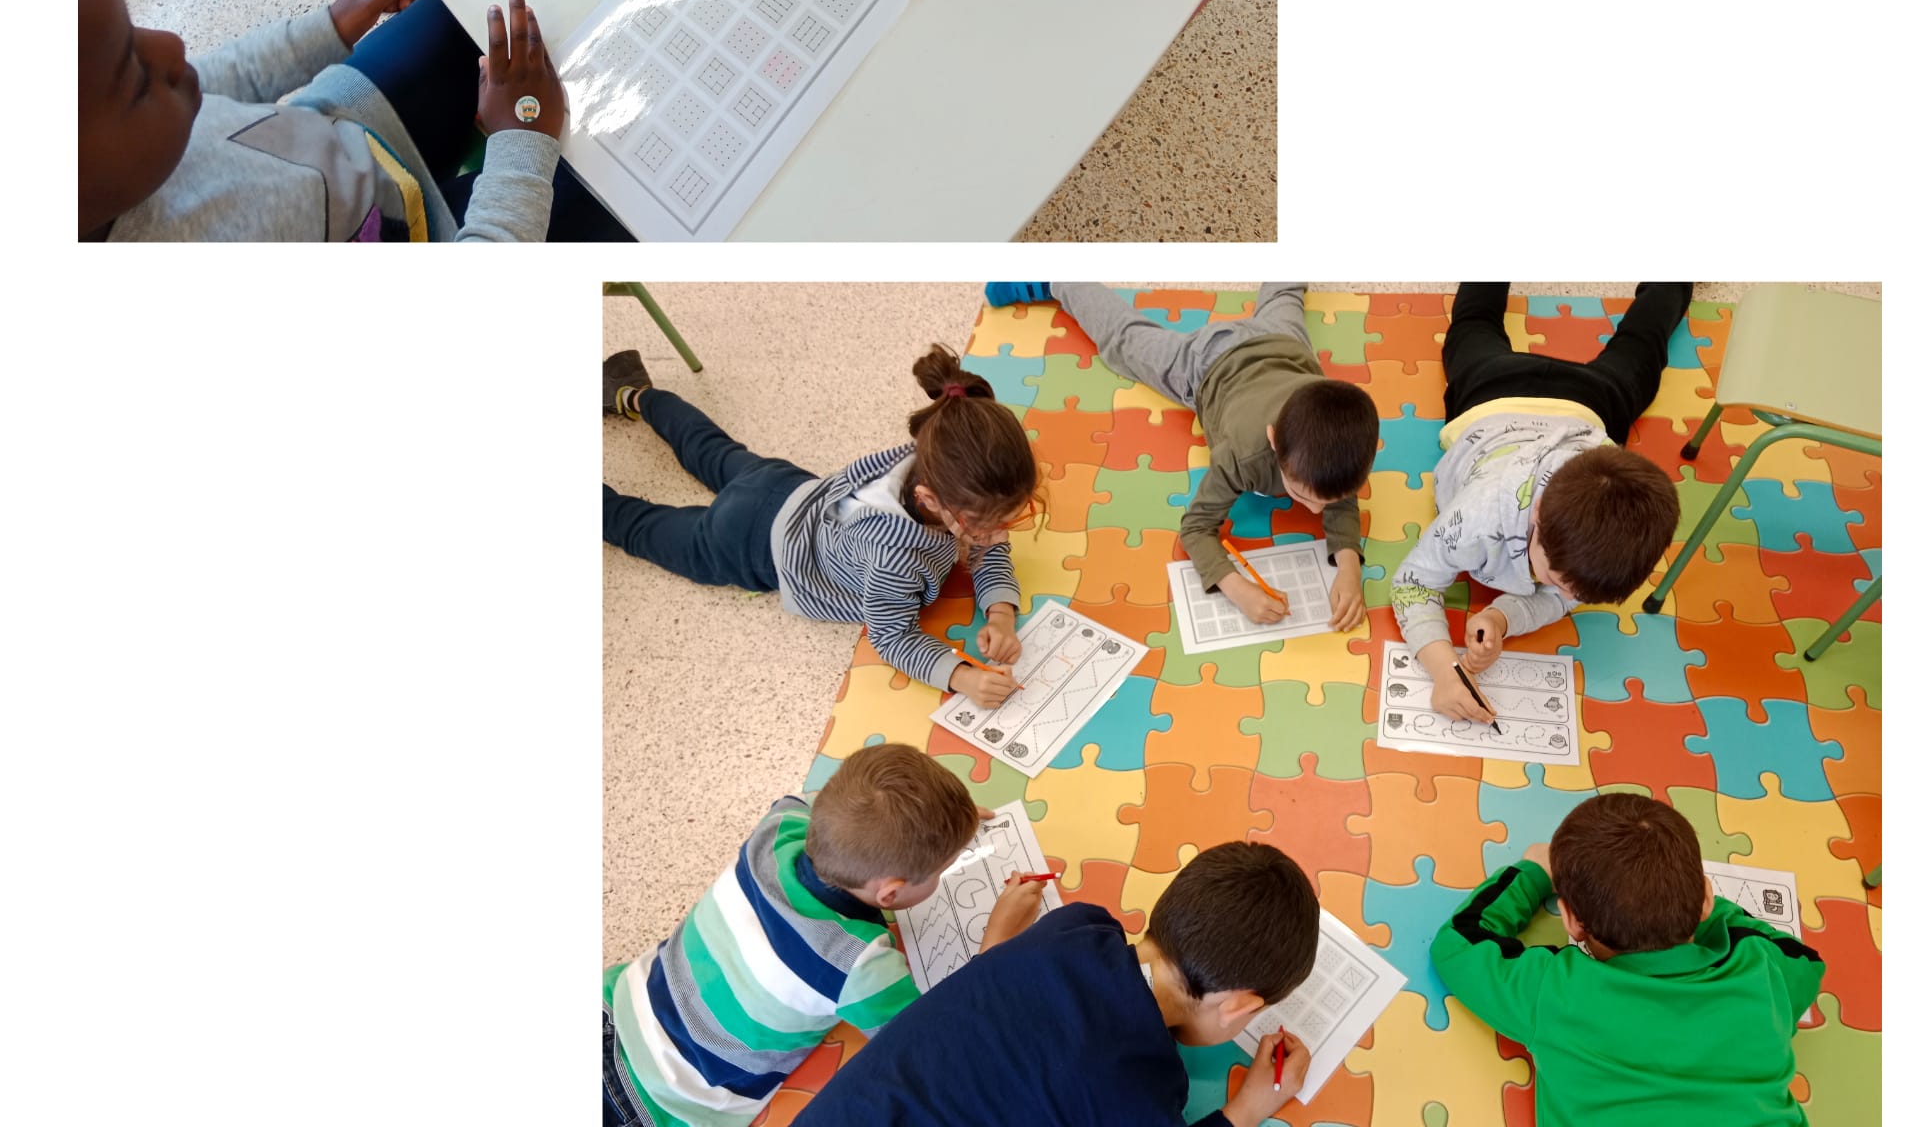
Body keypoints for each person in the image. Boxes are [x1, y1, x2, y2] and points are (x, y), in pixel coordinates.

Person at [772, 841, 1320, 1127]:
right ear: (1240, 1006)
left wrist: (995, 948)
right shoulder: (1145, 1095)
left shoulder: (1078, 925)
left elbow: (1000, 1011)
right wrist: (1249, 1108)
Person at [603, 745, 1003, 1127]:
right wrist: (994, 948)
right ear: (890, 893)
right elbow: (929, 1042)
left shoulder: (779, 827)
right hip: (647, 1098)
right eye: (942, 870)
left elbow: (836, 808)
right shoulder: (859, 965)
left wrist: (943, 830)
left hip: (615, 1009)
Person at [77, 0, 624, 241]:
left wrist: (330, 26)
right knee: (625, 186)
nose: (173, 46)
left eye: (135, 31)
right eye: (135, 78)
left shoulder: (119, 128)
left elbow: (219, 78)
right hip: (430, 237)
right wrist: (520, 146)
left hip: (355, 122)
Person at [1431, 792, 1833, 1127]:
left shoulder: (1557, 991)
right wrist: (1701, 908)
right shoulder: (1764, 973)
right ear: (1706, 898)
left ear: (1571, 921)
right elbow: (1803, 961)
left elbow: (1458, 943)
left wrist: (1535, 872)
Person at [602, 345, 1043, 701]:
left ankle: (637, 393)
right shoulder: (893, 559)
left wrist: (1001, 613)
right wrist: (962, 676)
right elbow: (893, 637)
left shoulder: (936, 452)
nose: (995, 535)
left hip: (782, 484)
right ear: (930, 500)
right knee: (642, 528)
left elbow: (988, 546)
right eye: (980, 525)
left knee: (708, 447)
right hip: (746, 545)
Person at [984, 283, 1378, 632]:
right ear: (1273, 441)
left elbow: (1340, 497)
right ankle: (1057, 278)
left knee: (1285, 292)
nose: (1314, 510)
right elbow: (1195, 528)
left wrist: (1348, 568)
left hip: (1282, 342)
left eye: (1324, 501)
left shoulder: (1345, 435)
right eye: (1304, 495)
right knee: (1123, 341)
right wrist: (1236, 588)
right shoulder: (1242, 454)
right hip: (1208, 362)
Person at [1389, 283, 1689, 719]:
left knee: (1645, 342)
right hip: (1492, 391)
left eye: (1575, 591)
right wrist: (1444, 671)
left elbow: (1559, 596)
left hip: (1590, 402)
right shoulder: (1478, 515)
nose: (1565, 594)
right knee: (1473, 321)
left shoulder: (1608, 551)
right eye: (1558, 580)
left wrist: (1501, 618)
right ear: (1538, 516)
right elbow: (1412, 583)